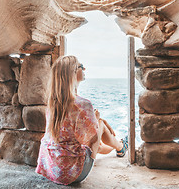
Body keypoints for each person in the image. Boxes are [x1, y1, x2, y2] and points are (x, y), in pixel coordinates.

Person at [35, 55, 128, 185]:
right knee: (98, 127)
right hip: (71, 174)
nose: (84, 68)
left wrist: (97, 121)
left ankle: (118, 146)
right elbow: (93, 140)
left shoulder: (52, 103)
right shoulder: (82, 105)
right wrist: (97, 119)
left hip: (50, 168)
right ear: (72, 73)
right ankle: (120, 147)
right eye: (81, 66)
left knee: (94, 135)